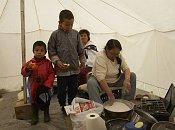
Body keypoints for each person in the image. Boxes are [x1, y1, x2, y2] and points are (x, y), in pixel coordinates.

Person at [48, 10, 86, 113]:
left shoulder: (76, 34)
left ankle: (71, 105)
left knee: (73, 89)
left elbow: (81, 51)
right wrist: (57, 62)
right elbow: (51, 52)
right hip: (61, 70)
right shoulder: (55, 35)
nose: (69, 26)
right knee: (61, 91)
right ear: (59, 23)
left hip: (74, 69)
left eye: (71, 24)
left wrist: (82, 61)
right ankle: (62, 106)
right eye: (67, 24)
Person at [87, 39, 136, 104]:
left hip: (115, 80)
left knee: (132, 76)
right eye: (112, 54)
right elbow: (101, 78)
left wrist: (127, 80)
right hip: (100, 82)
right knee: (91, 82)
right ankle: (99, 106)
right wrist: (110, 94)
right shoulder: (101, 56)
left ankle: (127, 102)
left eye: (117, 54)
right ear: (107, 49)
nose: (114, 56)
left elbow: (126, 69)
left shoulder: (118, 55)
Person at [21, 41, 55, 125]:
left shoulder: (48, 63)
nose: (39, 52)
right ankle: (34, 115)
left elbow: (52, 73)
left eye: (41, 50)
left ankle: (46, 114)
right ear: (33, 51)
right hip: (33, 86)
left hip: (45, 87)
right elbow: (23, 73)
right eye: (37, 50)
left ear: (45, 52)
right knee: (33, 100)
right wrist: (28, 69)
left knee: (46, 100)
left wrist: (47, 85)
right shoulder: (30, 63)